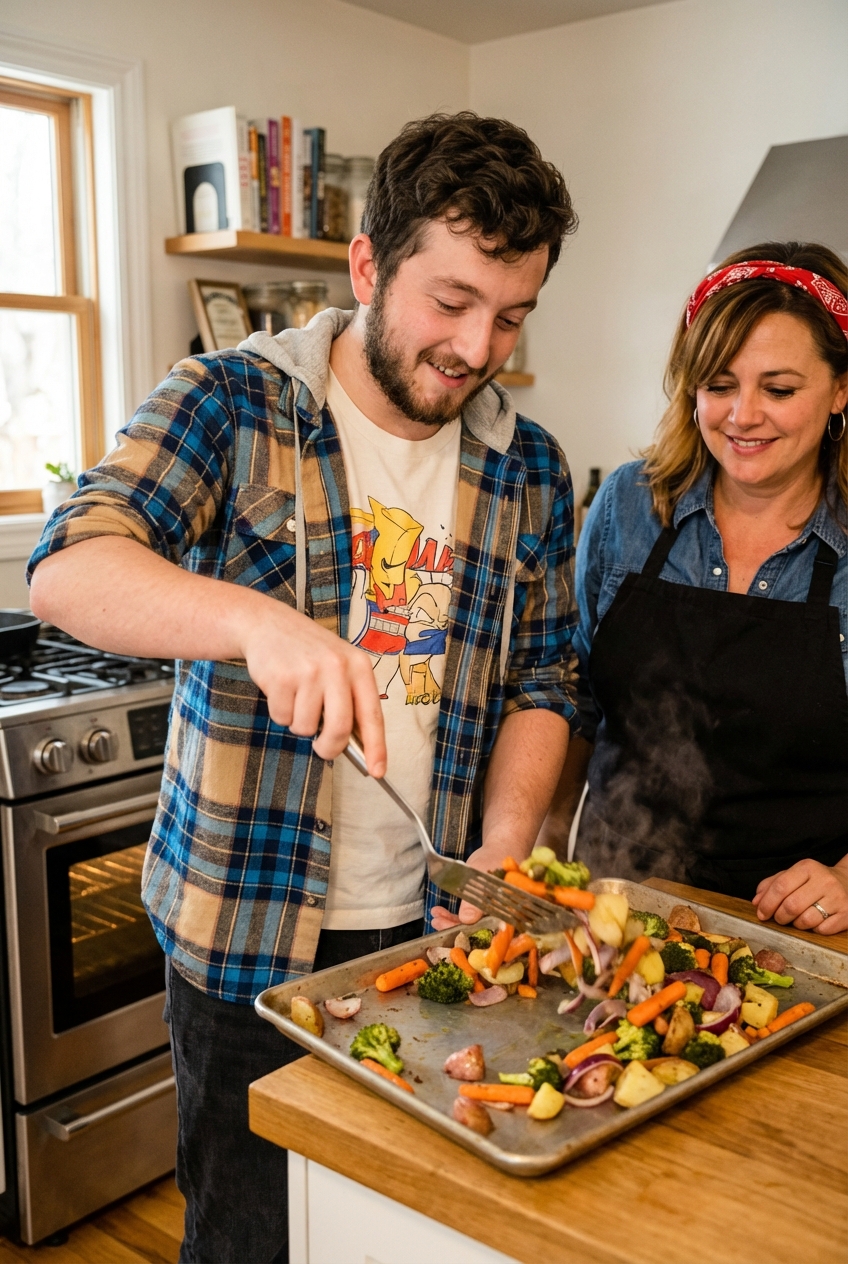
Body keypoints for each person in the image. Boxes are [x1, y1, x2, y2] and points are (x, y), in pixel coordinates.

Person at [27, 112, 581, 1263]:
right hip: (246, 935)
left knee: (402, 1234)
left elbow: (545, 674)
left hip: (433, 934)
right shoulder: (230, 403)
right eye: (451, 301)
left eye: (511, 314)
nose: (478, 346)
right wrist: (255, 623)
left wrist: (509, 836)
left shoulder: (524, 463)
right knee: (250, 1240)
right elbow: (70, 567)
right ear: (368, 264)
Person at [539, 241, 848, 938]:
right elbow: (577, 701)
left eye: (779, 388)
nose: (742, 415)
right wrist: (547, 844)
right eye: (718, 384)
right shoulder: (627, 505)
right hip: (613, 914)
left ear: (840, 389)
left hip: (801, 933)